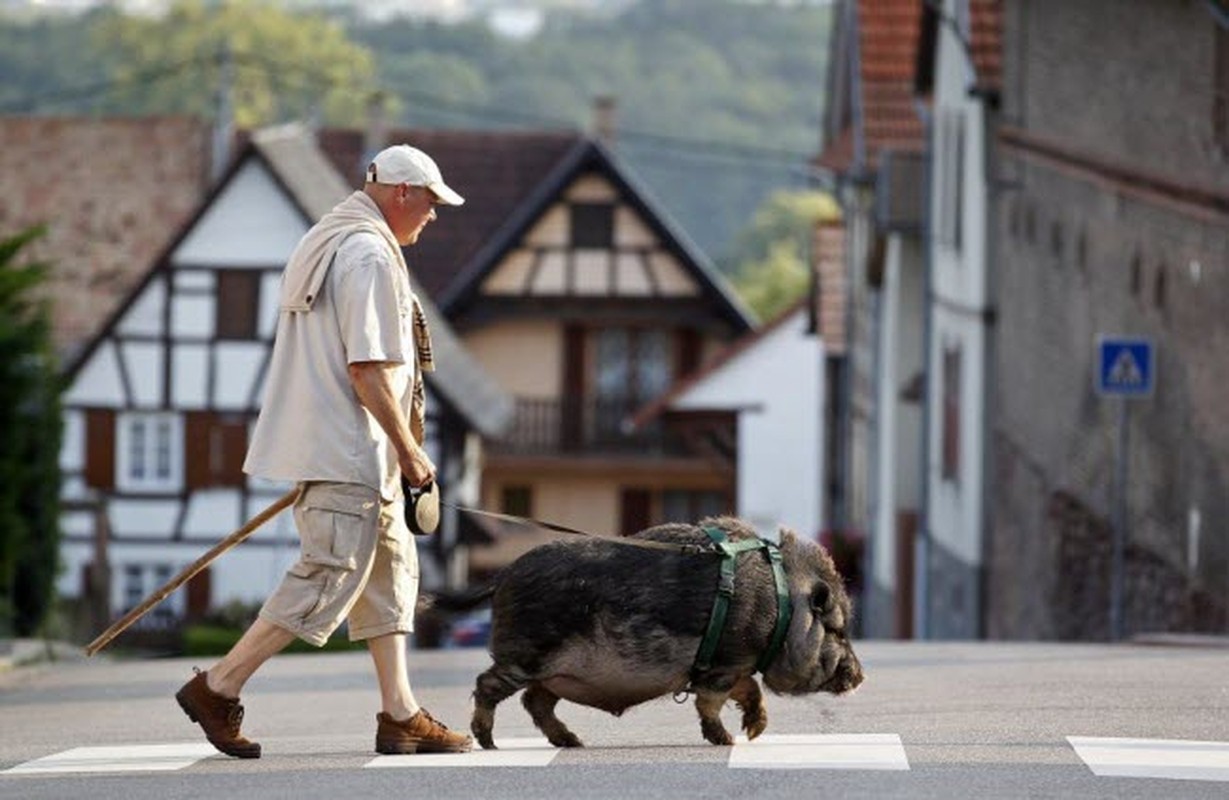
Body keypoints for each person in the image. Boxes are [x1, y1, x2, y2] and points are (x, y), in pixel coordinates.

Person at [174, 144, 473, 758]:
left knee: (389, 575)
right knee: (326, 574)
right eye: (431, 202)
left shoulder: (332, 237)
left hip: (352, 451)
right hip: (352, 451)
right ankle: (218, 685)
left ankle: (401, 712)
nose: (435, 216)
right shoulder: (367, 255)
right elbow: (366, 370)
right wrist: (412, 452)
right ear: (400, 194)